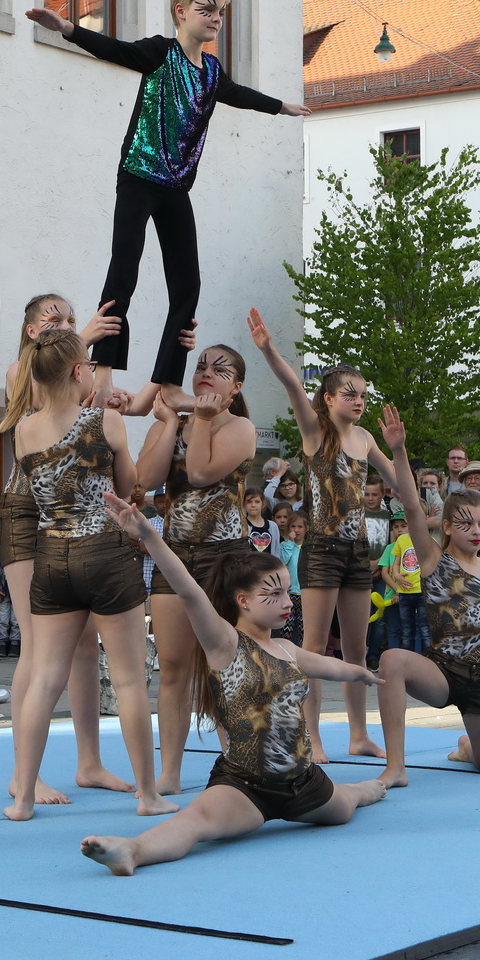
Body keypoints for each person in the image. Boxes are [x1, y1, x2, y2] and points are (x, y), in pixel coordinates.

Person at [24, 0, 308, 388]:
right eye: (206, 10)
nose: (216, 18)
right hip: (139, 177)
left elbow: (240, 95)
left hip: (175, 188)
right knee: (125, 269)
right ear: (181, 11)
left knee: (188, 283)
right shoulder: (160, 53)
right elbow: (115, 50)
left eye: (221, 12)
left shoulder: (212, 72)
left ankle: (169, 383)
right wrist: (67, 28)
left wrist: (281, 106)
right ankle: (104, 370)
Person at [80, 495, 387, 876]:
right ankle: (132, 849)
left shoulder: (287, 648)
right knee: (195, 822)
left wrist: (359, 672)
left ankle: (368, 788)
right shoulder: (225, 643)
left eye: (286, 591)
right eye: (272, 594)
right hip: (247, 786)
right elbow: (189, 591)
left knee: (345, 805)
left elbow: (327, 666)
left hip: (304, 782)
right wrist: (150, 536)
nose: (286, 602)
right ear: (242, 600)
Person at [0, 328, 173, 822]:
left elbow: (38, 489)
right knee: (130, 680)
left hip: (52, 556)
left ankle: (23, 798)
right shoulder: (105, 421)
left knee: (44, 679)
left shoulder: (24, 430)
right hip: (105, 553)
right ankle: (148, 795)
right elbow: (129, 487)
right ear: (80, 372)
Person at [0, 293, 133, 807]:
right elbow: (43, 398)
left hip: (73, 516)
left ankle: (89, 762)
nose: (69, 324)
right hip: (25, 510)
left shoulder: (79, 370)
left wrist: (113, 396)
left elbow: (97, 413)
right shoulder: (23, 368)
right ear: (32, 330)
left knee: (86, 645)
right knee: (38, 645)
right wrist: (87, 339)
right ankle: (23, 776)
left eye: (72, 318)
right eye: (55, 319)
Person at [248, 309, 399, 760]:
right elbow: (293, 386)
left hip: (356, 550)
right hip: (322, 548)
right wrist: (268, 350)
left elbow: (400, 482)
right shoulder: (316, 432)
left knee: (357, 648)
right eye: (350, 394)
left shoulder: (365, 438)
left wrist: (400, 450)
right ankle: (310, 735)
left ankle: (358, 734)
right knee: (313, 646)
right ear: (329, 398)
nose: (359, 400)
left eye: (363, 394)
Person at [376, 407, 480, 785]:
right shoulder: (434, 559)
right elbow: (412, 506)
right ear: (447, 526)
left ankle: (467, 746)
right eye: (466, 523)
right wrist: (398, 450)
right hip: (443, 671)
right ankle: (396, 766)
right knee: (391, 660)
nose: (476, 530)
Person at [132, 343, 257, 795]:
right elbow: (144, 481)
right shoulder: (177, 423)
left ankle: (238, 764)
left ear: (235, 387)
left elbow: (202, 472)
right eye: (201, 365)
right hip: (175, 555)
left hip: (224, 557)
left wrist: (200, 418)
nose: (206, 372)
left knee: (224, 664)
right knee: (172, 667)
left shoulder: (240, 427)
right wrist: (170, 424)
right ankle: (170, 773)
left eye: (219, 370)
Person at [378, 511, 427, 654]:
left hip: (420, 592)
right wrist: (397, 580)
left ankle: (425, 660)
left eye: (403, 526)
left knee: (423, 630)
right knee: (402, 630)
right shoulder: (397, 543)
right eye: (396, 527)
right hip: (400, 594)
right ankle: (403, 660)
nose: (399, 530)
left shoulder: (427, 540)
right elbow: (392, 566)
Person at [276, 512, 307, 644]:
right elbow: (283, 561)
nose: (296, 530)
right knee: (286, 629)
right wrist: (290, 543)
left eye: (300, 527)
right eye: (293, 526)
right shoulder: (284, 545)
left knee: (304, 629)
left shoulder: (308, 547)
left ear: (306, 528)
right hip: (290, 593)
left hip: (305, 593)